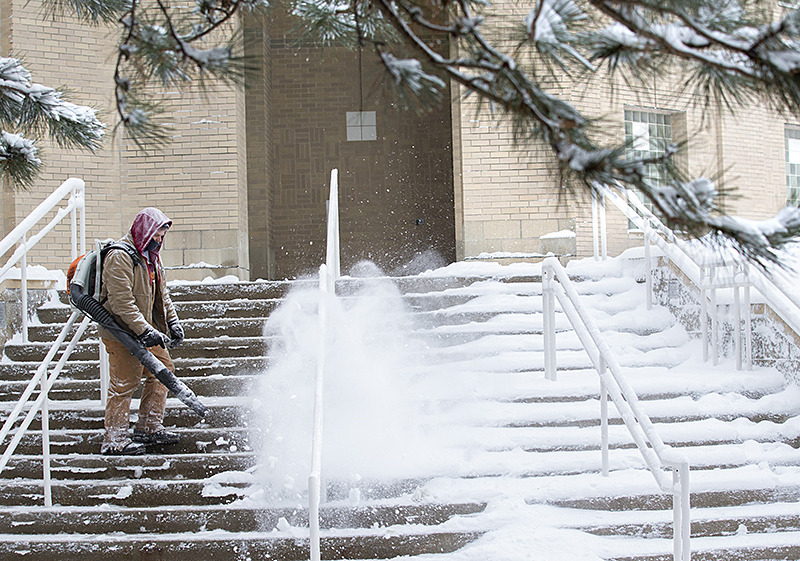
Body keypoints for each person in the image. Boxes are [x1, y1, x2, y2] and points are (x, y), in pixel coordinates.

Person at [99, 208, 185, 455]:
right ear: (144, 231)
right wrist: (144, 330)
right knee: (125, 382)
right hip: (121, 332)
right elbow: (120, 302)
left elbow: (162, 296)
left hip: (146, 330)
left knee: (164, 371)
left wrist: (173, 322)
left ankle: (149, 426)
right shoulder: (120, 256)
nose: (159, 240)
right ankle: (114, 440)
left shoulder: (152, 258)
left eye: (162, 236)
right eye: (156, 235)